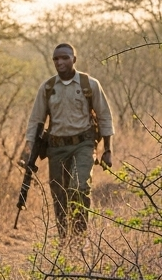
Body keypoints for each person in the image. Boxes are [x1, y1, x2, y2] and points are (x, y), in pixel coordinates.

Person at [21, 43, 114, 236]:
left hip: (84, 145)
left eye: (64, 57)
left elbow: (104, 116)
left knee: (79, 188)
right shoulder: (47, 88)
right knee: (59, 194)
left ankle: (79, 237)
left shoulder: (90, 84)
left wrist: (107, 150)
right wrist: (28, 150)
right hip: (56, 148)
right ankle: (65, 239)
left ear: (74, 59)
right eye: (56, 59)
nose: (60, 62)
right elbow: (36, 121)